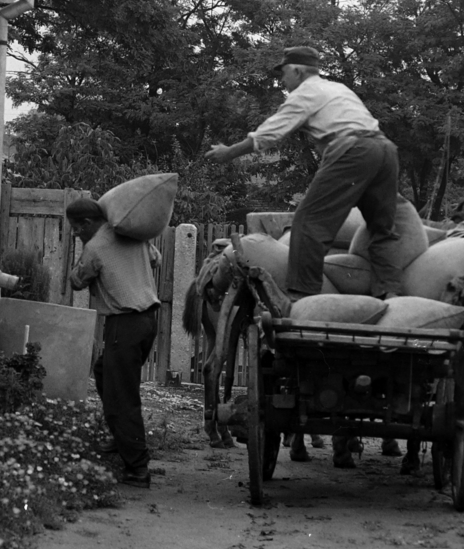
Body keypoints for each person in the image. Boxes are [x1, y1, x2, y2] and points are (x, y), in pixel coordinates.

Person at [204, 44, 404, 303]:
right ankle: (391, 292)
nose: (282, 81)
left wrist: (229, 152)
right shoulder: (338, 88)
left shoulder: (305, 93)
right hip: (386, 150)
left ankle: (303, 296)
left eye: (284, 74)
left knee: (309, 222)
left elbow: (271, 132)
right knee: (382, 228)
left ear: (298, 71)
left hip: (352, 149)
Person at [67, 196, 159, 489]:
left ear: (88, 223)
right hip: (147, 322)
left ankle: (137, 468)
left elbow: (77, 281)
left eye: (76, 228)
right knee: (105, 371)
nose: (75, 234)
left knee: (123, 396)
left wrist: (86, 251)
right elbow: (155, 259)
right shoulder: (133, 235)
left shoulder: (95, 247)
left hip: (124, 324)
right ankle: (121, 439)